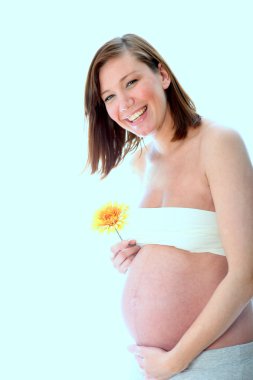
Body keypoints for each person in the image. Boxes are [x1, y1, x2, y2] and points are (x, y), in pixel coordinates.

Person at [84, 33, 253, 379]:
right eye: (110, 97)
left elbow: (246, 274)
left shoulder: (219, 142)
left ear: (162, 75)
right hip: (154, 364)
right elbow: (186, 250)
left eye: (131, 82)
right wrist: (135, 256)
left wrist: (175, 361)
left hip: (211, 362)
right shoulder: (141, 163)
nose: (125, 103)